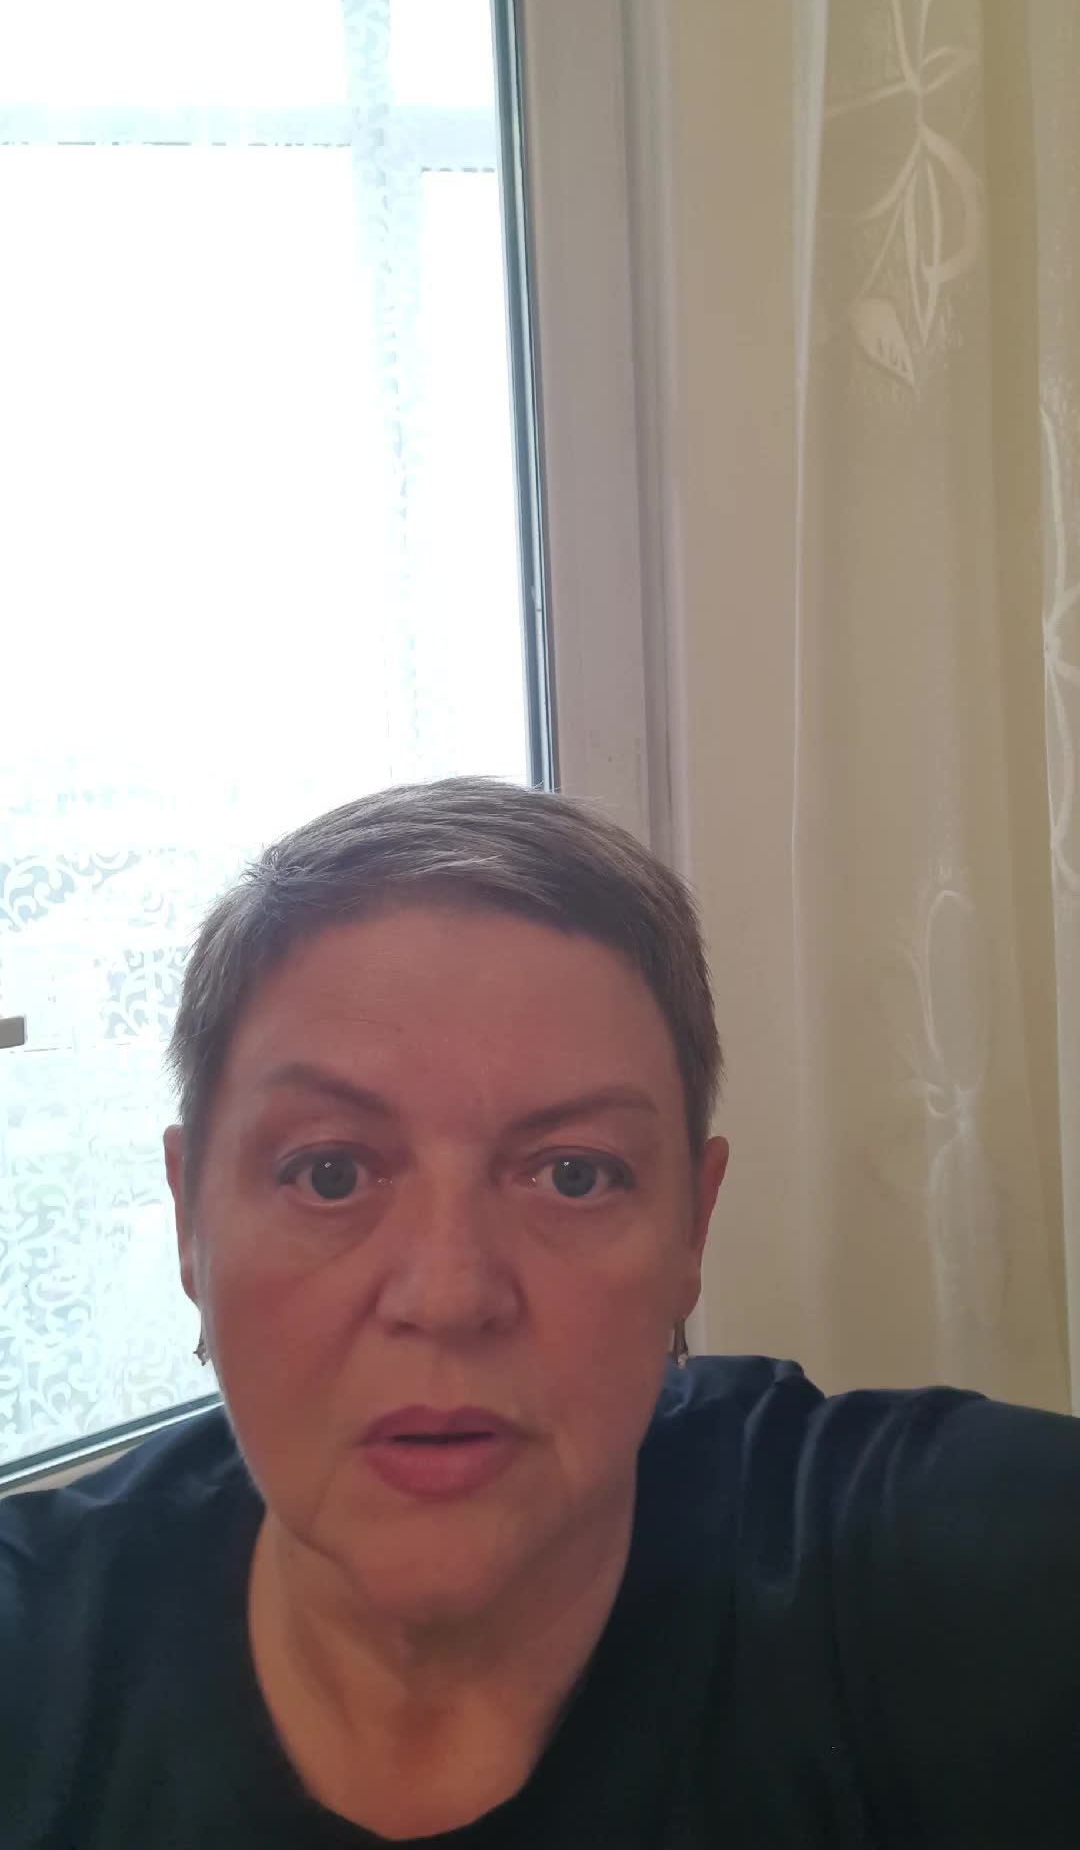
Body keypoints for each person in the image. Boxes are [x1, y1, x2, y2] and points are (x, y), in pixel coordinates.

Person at [1, 776, 1078, 1849]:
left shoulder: (912, 1584)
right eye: (330, 1173)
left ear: (692, 1228)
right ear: (189, 1221)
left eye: (574, 1174)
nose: (449, 1294)